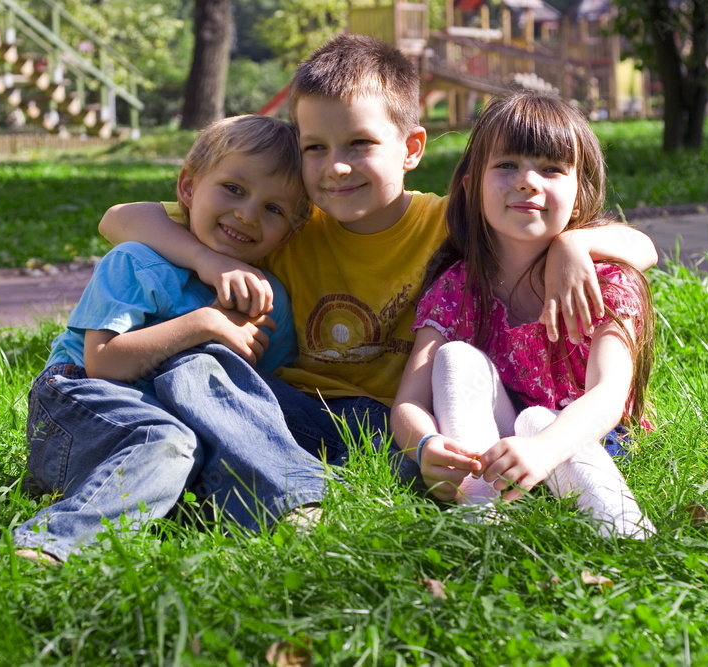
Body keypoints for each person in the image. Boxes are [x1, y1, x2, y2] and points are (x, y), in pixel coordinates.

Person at [98, 34, 658, 493]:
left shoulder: (448, 223)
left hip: (390, 417)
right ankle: (257, 477)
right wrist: (206, 260)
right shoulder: (287, 222)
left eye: (359, 144)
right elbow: (121, 217)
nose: (336, 168)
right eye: (316, 148)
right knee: (200, 379)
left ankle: (267, 481)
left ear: (412, 149)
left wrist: (573, 246)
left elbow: (641, 247)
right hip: (285, 403)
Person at [13, 115, 326, 564]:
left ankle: (284, 504)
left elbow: (253, 408)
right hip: (79, 408)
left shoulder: (267, 297)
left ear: (290, 231)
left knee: (194, 440)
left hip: (180, 435)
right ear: (188, 188)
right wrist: (204, 324)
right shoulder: (138, 261)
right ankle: (55, 543)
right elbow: (103, 363)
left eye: (274, 209)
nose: (247, 214)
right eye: (234, 189)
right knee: (163, 438)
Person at [391, 90, 656, 537]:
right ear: (473, 186)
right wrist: (425, 444)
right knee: (454, 358)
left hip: (589, 438)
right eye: (507, 165)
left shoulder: (607, 281)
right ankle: (481, 512)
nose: (528, 181)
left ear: (578, 196)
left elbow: (609, 394)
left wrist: (544, 446)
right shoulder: (459, 286)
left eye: (551, 168)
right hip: (495, 440)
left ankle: (625, 529)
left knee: (538, 420)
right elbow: (409, 402)